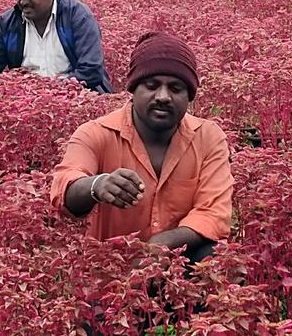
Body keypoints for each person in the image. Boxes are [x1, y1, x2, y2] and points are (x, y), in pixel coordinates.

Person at [50, 32, 233, 263]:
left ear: (190, 96)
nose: (163, 96)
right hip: (110, 273)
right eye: (151, 85)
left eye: (176, 88)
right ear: (133, 89)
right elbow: (64, 189)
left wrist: (159, 245)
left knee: (217, 258)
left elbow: (214, 213)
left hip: (177, 265)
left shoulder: (208, 137)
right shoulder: (95, 133)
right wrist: (97, 185)